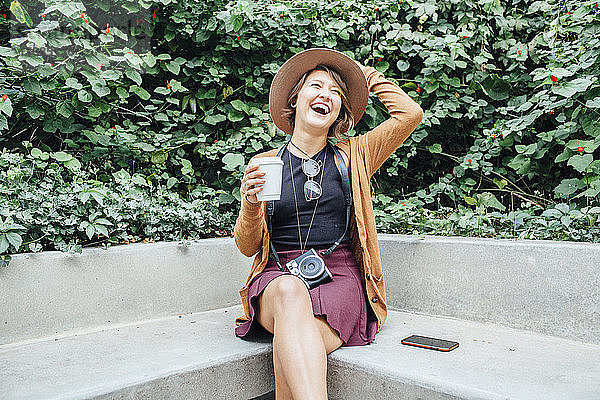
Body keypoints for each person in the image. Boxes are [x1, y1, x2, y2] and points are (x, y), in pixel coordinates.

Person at [234, 48, 424, 399]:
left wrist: (365, 76)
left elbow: (409, 114)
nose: (327, 95)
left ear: (340, 110)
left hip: (340, 275)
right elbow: (248, 247)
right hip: (278, 274)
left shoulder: (354, 154)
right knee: (292, 292)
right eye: (316, 86)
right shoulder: (266, 163)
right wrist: (250, 204)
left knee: (291, 348)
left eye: (336, 91)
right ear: (295, 100)